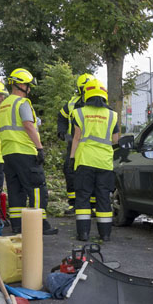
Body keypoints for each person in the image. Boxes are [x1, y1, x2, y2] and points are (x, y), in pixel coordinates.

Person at [0, 68, 57, 235]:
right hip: (25, 152)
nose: (30, 89)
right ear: (21, 85)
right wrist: (40, 148)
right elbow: (28, 126)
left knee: (16, 190)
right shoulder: (22, 103)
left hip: (8, 153)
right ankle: (40, 224)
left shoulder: (3, 106)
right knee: (37, 188)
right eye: (28, 85)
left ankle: (17, 226)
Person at [69, 79, 120, 241]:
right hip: (104, 162)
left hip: (84, 160)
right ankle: (105, 234)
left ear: (87, 95)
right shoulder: (112, 115)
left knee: (83, 196)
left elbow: (76, 138)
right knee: (103, 197)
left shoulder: (79, 113)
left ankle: (83, 234)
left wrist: (71, 158)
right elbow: (115, 139)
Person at [57, 73, 93, 215]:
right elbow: (62, 116)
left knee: (90, 173)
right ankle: (74, 203)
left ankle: (92, 204)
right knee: (69, 170)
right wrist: (62, 131)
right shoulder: (72, 103)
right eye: (85, 88)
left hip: (91, 145)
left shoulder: (98, 103)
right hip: (74, 143)